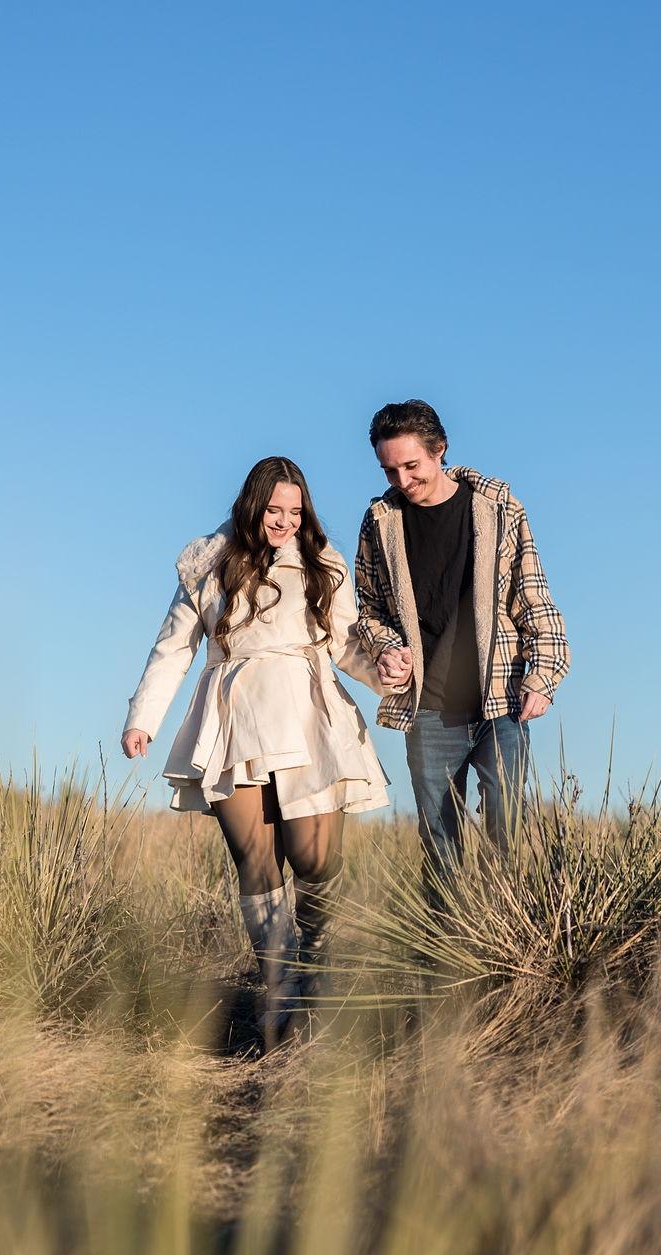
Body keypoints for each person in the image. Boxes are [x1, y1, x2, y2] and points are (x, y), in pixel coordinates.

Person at [122, 456, 391, 1041]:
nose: (285, 521)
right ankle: (279, 990)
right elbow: (173, 649)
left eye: (295, 511)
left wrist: (386, 676)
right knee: (255, 861)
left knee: (314, 856)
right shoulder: (206, 563)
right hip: (231, 718)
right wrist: (142, 719)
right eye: (275, 510)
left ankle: (315, 953)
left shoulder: (323, 562)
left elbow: (346, 645)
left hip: (307, 715)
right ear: (252, 505)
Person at [354, 399, 569, 903]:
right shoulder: (379, 520)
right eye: (390, 470)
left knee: (507, 833)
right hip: (427, 708)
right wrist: (386, 648)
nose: (403, 481)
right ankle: (447, 966)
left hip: (502, 699)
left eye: (412, 466)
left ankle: (511, 953)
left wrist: (544, 673)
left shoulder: (498, 505)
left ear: (439, 450)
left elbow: (532, 594)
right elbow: (370, 609)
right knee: (440, 847)